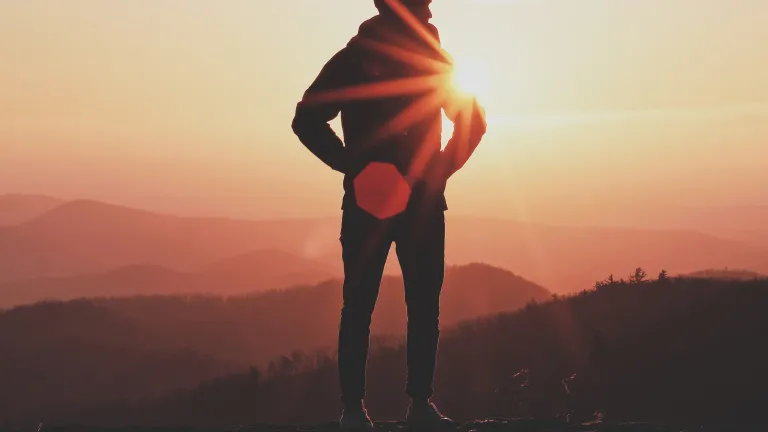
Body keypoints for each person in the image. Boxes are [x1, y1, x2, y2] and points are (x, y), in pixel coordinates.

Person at [291, 0, 486, 429]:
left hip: (377, 201)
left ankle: (356, 410)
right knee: (414, 304)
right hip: (416, 204)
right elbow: (474, 121)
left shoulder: (359, 58)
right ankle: (408, 407)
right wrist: (439, 170)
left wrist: (349, 163)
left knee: (362, 305)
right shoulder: (425, 59)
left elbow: (306, 119)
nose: (428, 12)